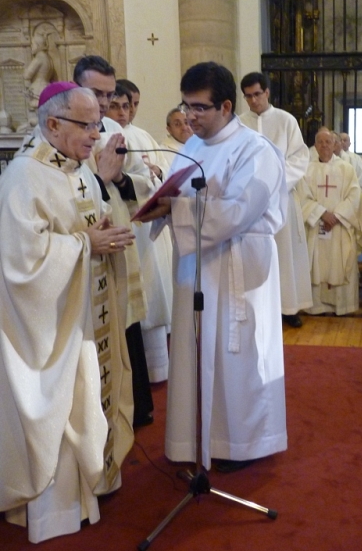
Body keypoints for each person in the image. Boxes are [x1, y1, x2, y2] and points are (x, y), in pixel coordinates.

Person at [0, 83, 135, 542]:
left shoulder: (76, 170)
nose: (98, 134)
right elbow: (21, 263)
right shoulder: (23, 178)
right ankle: (55, 510)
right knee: (60, 404)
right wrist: (84, 244)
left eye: (99, 122)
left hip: (82, 314)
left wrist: (98, 232)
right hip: (49, 329)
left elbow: (83, 221)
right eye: (88, 124)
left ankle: (91, 487)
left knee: (88, 396)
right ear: (53, 124)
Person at [143, 62, 288, 473]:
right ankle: (197, 439)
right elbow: (174, 190)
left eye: (199, 108)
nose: (189, 117)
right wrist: (158, 207)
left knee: (234, 355)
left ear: (226, 105)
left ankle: (239, 443)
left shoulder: (255, 150)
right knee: (193, 352)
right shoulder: (191, 146)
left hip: (237, 267)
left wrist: (179, 210)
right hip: (195, 268)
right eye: (186, 107)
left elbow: (242, 210)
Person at [73, 56, 155, 427]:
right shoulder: (67, 133)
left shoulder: (112, 132)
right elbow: (72, 194)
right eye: (96, 93)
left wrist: (119, 181)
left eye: (109, 94)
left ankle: (135, 409)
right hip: (90, 253)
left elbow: (140, 179)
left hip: (121, 242)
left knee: (127, 326)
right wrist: (103, 179)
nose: (105, 103)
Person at [107, 82, 173, 383]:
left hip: (145, 225)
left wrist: (156, 174)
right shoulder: (107, 134)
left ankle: (158, 368)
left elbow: (157, 173)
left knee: (152, 290)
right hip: (124, 222)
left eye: (129, 105)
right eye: (117, 105)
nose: (125, 112)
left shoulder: (142, 135)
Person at [239, 71, 312, 328]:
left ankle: (287, 308)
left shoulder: (286, 120)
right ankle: (255, 306)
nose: (253, 100)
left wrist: (275, 184)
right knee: (254, 254)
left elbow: (299, 158)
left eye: (257, 94)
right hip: (250, 202)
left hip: (281, 198)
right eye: (248, 96)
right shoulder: (239, 124)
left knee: (284, 252)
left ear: (267, 92)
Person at [298, 129, 361, 315]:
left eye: (328, 142)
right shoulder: (306, 170)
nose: (324, 145)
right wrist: (322, 213)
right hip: (316, 226)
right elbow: (302, 198)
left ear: (335, 145)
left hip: (340, 226)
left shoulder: (346, 169)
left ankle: (341, 305)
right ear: (315, 146)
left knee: (339, 260)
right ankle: (316, 306)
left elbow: (355, 195)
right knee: (316, 263)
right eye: (320, 142)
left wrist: (337, 215)